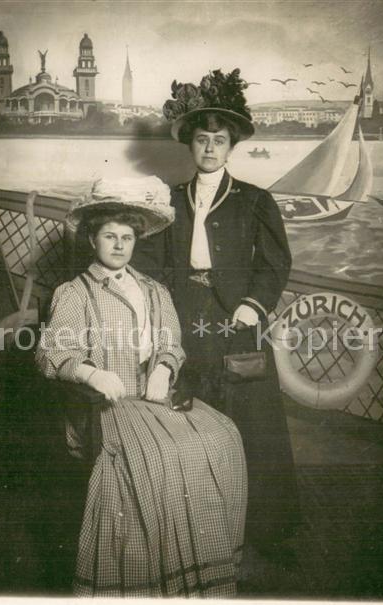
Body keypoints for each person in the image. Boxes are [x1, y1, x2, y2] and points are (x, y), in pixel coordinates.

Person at [35, 177, 247, 597]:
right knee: (163, 455)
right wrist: (90, 373)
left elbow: (171, 342)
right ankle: (149, 577)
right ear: (92, 239)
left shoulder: (154, 290)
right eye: (109, 236)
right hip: (102, 407)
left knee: (224, 435)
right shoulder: (74, 293)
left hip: (155, 398)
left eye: (127, 237)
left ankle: (204, 571)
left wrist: (164, 369)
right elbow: (50, 354)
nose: (119, 245)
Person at [131, 69, 300, 551]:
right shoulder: (170, 200)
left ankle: (262, 528)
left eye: (219, 140)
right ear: (192, 146)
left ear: (231, 147)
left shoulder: (255, 200)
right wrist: (156, 308)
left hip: (237, 317)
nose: (209, 148)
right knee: (189, 412)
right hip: (184, 312)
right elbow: (155, 263)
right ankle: (196, 524)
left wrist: (253, 307)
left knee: (248, 415)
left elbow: (275, 264)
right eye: (202, 140)